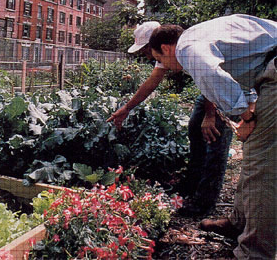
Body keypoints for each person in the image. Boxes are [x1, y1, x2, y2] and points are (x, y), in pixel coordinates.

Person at [148, 14, 277, 260]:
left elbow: (210, 74)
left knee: (264, 168)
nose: (165, 67)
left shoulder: (187, 48)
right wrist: (248, 105)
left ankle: (255, 252)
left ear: (166, 47)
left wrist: (245, 117)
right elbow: (246, 65)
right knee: (255, 157)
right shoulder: (200, 33)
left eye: (159, 59)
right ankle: (239, 222)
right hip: (269, 67)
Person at [107, 21, 236, 217]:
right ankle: (191, 184)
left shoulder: (188, 50)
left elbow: (212, 77)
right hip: (211, 88)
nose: (146, 56)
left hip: (228, 86)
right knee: (195, 128)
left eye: (146, 51)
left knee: (214, 137)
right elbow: (151, 83)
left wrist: (211, 115)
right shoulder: (167, 52)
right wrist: (126, 108)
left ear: (158, 44)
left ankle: (204, 203)